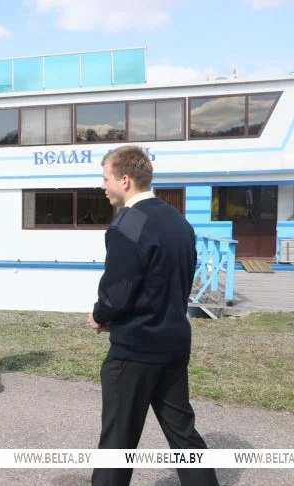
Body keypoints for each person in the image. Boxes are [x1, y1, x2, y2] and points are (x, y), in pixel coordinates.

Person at [89, 146, 218, 486]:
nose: (102, 186)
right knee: (183, 435)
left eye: (105, 178)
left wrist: (100, 315)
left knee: (117, 443)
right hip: (173, 343)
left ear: (125, 180)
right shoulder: (178, 221)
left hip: (135, 349)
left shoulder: (127, 224)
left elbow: (117, 289)